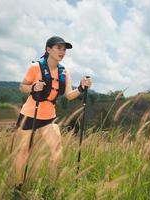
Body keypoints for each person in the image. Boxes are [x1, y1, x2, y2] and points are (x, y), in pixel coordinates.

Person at [14, 36, 92, 189]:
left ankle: (51, 186)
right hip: (29, 114)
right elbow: (22, 86)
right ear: (48, 49)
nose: (62, 52)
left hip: (48, 117)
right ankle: (18, 186)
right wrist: (33, 88)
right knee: (24, 152)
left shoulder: (64, 71)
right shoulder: (36, 67)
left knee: (57, 150)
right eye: (59, 48)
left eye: (64, 49)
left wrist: (82, 88)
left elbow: (69, 95)